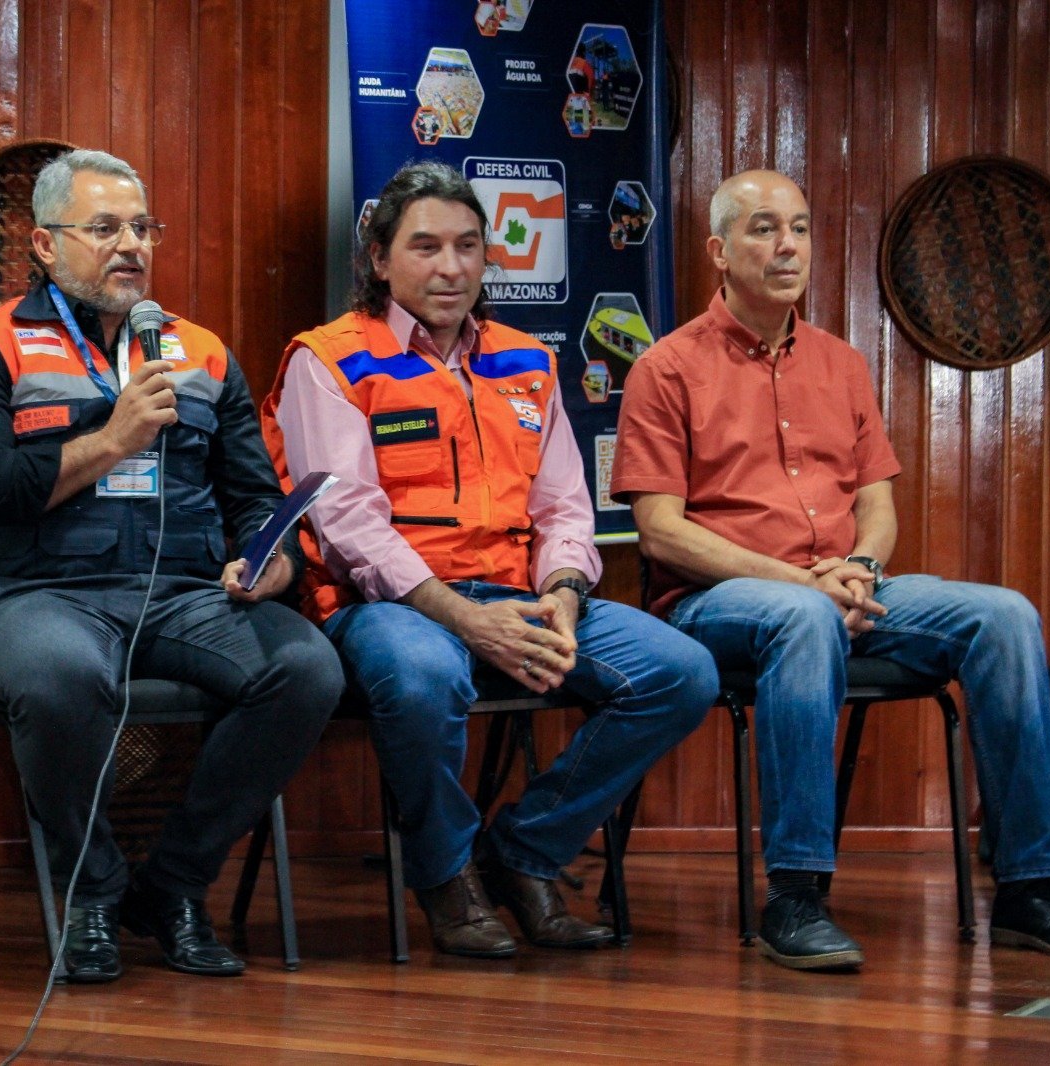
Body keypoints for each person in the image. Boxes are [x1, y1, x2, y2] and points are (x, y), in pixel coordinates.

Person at [611, 169, 1050, 971]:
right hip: (717, 603)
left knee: (1005, 616)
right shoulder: (667, 368)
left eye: (799, 228)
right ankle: (796, 895)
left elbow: (878, 508)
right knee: (804, 618)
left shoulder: (842, 364)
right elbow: (662, 534)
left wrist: (854, 567)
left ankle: (1031, 888)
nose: (787, 246)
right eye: (763, 228)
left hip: (844, 587)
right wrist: (805, 586)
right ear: (719, 250)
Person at [262, 162, 718, 959]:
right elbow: (345, 524)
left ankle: (525, 852)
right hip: (389, 607)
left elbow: (564, 506)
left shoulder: (526, 360)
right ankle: (445, 875)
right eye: (426, 247)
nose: (451, 267)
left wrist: (563, 597)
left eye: (468, 246)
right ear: (379, 259)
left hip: (518, 594)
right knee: (423, 675)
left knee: (680, 672)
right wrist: (466, 620)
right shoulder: (327, 360)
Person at [0, 149, 341, 983]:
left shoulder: (202, 352)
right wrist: (111, 440)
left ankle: (174, 886)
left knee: (308, 670)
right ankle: (92, 892)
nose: (132, 246)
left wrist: (272, 562)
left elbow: (254, 496)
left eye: (142, 228)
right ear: (46, 244)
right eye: (105, 228)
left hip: (187, 596)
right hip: (44, 596)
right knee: (57, 677)